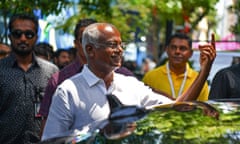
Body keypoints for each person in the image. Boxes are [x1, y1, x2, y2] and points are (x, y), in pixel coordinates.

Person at [41, 23, 216, 140]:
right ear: (90, 50)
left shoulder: (130, 84)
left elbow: (178, 108)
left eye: (121, 45)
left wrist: (204, 71)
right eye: (112, 45)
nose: (120, 50)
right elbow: (51, 141)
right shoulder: (68, 91)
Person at [38, 19, 135, 138]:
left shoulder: (125, 77)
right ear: (76, 43)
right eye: (85, 39)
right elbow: (49, 132)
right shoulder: (59, 80)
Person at [0, 13, 59, 144]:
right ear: (10, 37)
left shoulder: (51, 71)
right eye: (17, 34)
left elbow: (58, 112)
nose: (23, 39)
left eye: (29, 34)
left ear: (36, 38)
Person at [142, 33, 209, 101]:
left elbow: (203, 109)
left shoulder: (199, 80)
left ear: (190, 53)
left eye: (182, 48)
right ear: (167, 50)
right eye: (173, 47)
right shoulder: (150, 77)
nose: (177, 51)